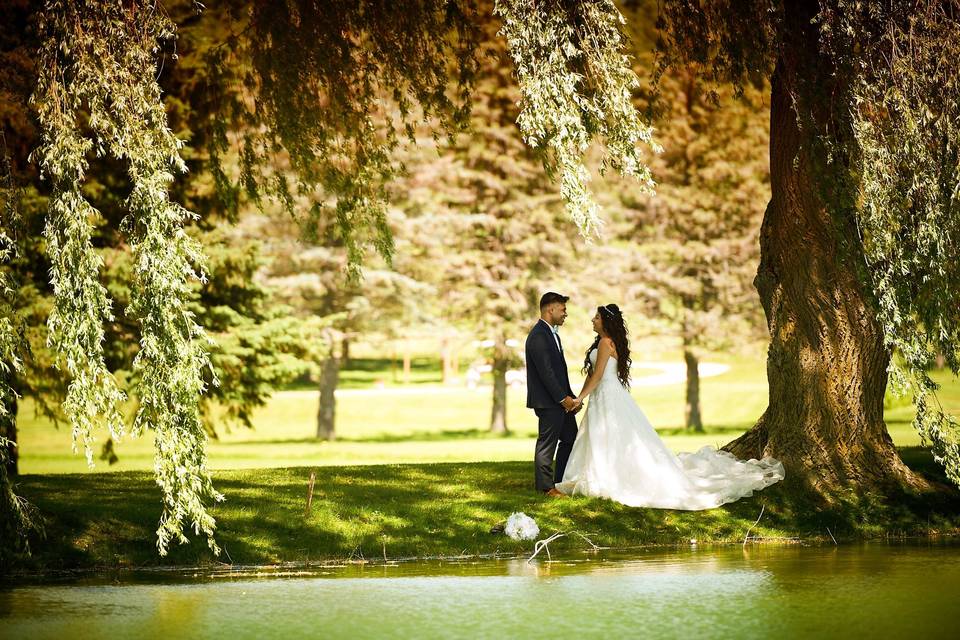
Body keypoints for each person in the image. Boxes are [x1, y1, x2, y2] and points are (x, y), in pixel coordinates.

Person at [555, 304, 784, 509]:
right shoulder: (600, 342)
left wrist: (579, 399)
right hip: (601, 396)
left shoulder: (606, 343)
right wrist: (580, 397)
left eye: (596, 317)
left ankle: (611, 477)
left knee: (613, 435)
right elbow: (592, 375)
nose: (592, 321)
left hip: (609, 395)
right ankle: (599, 474)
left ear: (605, 321)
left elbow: (598, 376)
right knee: (600, 436)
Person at [525, 292, 581, 496]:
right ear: (551, 309)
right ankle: (546, 487)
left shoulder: (552, 333)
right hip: (548, 402)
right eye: (563, 309)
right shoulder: (539, 335)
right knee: (546, 444)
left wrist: (572, 397)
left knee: (570, 438)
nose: (565, 313)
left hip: (560, 401)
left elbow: (559, 372)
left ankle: (560, 481)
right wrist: (562, 398)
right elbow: (545, 372)